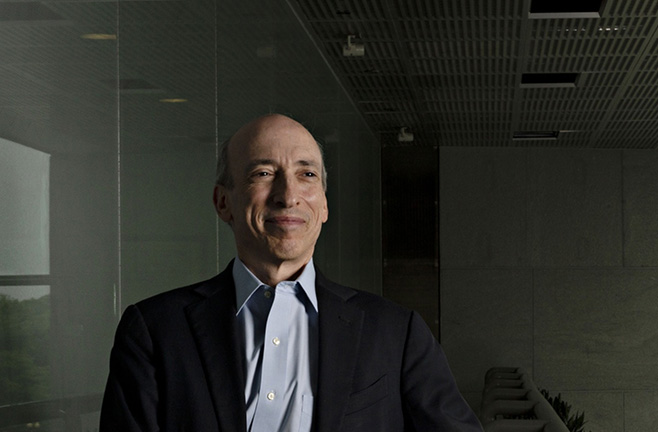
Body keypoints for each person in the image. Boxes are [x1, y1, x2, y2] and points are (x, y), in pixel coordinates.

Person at [100, 114, 483, 431]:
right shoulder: (154, 331)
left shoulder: (396, 334)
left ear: (325, 207)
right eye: (264, 173)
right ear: (223, 202)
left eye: (307, 175)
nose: (288, 195)